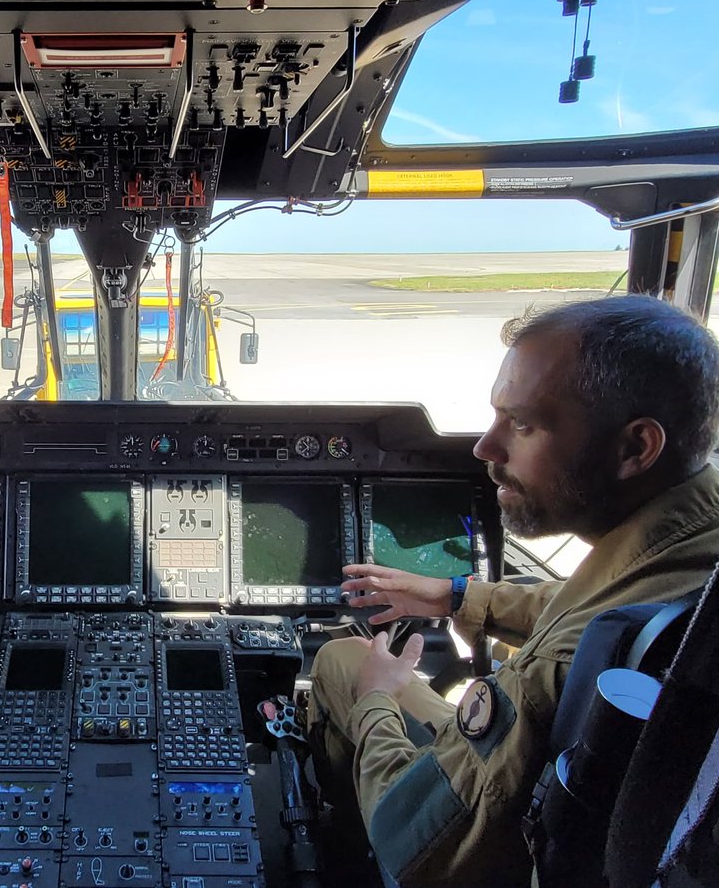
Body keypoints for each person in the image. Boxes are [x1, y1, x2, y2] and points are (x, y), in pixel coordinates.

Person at [307, 295, 719, 886]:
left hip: (481, 852)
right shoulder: (696, 537)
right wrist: (459, 597)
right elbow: (612, 607)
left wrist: (378, 699)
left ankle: (342, 859)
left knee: (344, 662)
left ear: (635, 448)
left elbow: (412, 849)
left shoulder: (548, 670)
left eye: (522, 424)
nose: (485, 448)